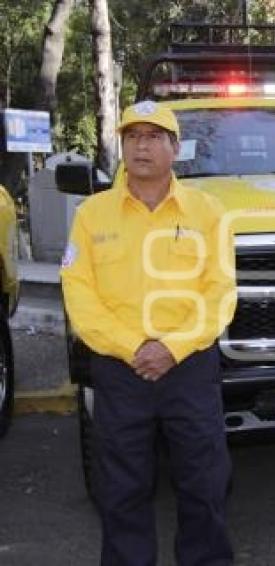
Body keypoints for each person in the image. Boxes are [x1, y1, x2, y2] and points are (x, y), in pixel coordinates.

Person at [61, 100, 236, 566]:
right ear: (121, 146)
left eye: (154, 136)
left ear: (175, 149)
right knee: (121, 490)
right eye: (132, 136)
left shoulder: (209, 213)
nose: (142, 145)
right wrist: (134, 346)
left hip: (190, 368)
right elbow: (79, 294)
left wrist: (172, 348)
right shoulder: (91, 216)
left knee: (204, 485)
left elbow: (220, 294)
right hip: (121, 370)